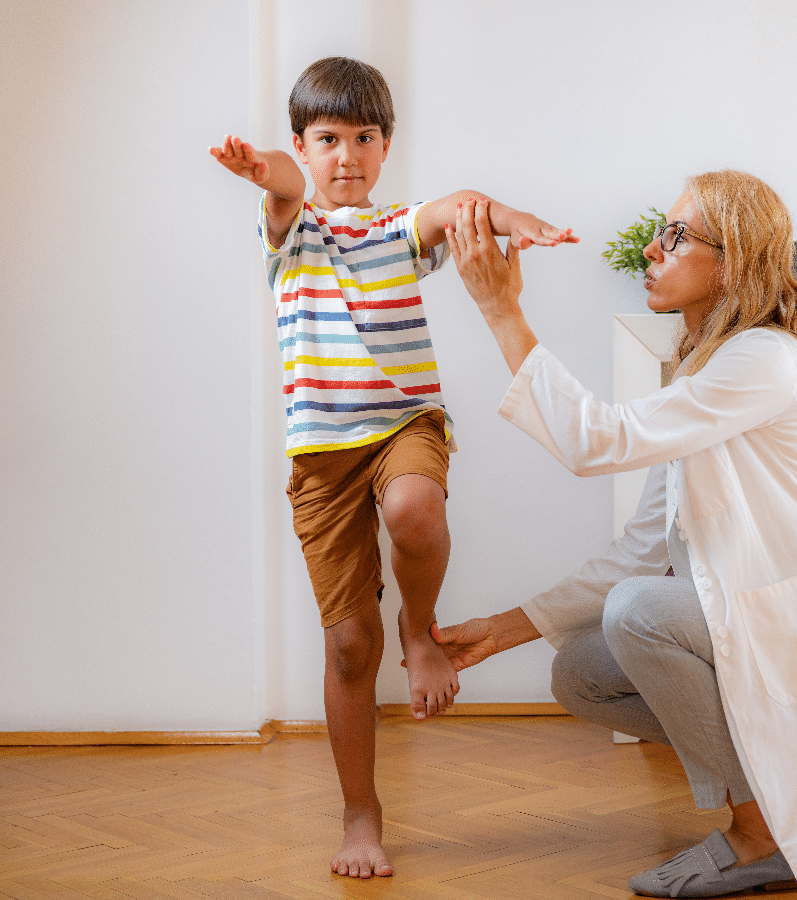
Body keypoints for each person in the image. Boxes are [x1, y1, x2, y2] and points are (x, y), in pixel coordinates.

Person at [435, 172, 797, 900]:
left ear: (731, 261)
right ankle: (776, 811)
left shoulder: (762, 359)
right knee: (583, 672)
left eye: (675, 236)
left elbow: (593, 442)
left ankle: (759, 835)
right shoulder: (709, 371)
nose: (651, 250)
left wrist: (502, 310)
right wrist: (502, 632)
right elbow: (641, 548)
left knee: (638, 613)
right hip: (789, 628)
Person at [208, 56, 576, 879]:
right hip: (323, 458)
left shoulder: (394, 227)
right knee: (346, 647)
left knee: (415, 509)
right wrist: (255, 165)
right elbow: (275, 182)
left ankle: (421, 627)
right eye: (328, 140)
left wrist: (522, 222)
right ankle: (361, 814)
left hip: (405, 423)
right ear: (303, 147)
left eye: (365, 139)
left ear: (385, 147)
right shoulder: (291, 227)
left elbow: (458, 207)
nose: (347, 156)